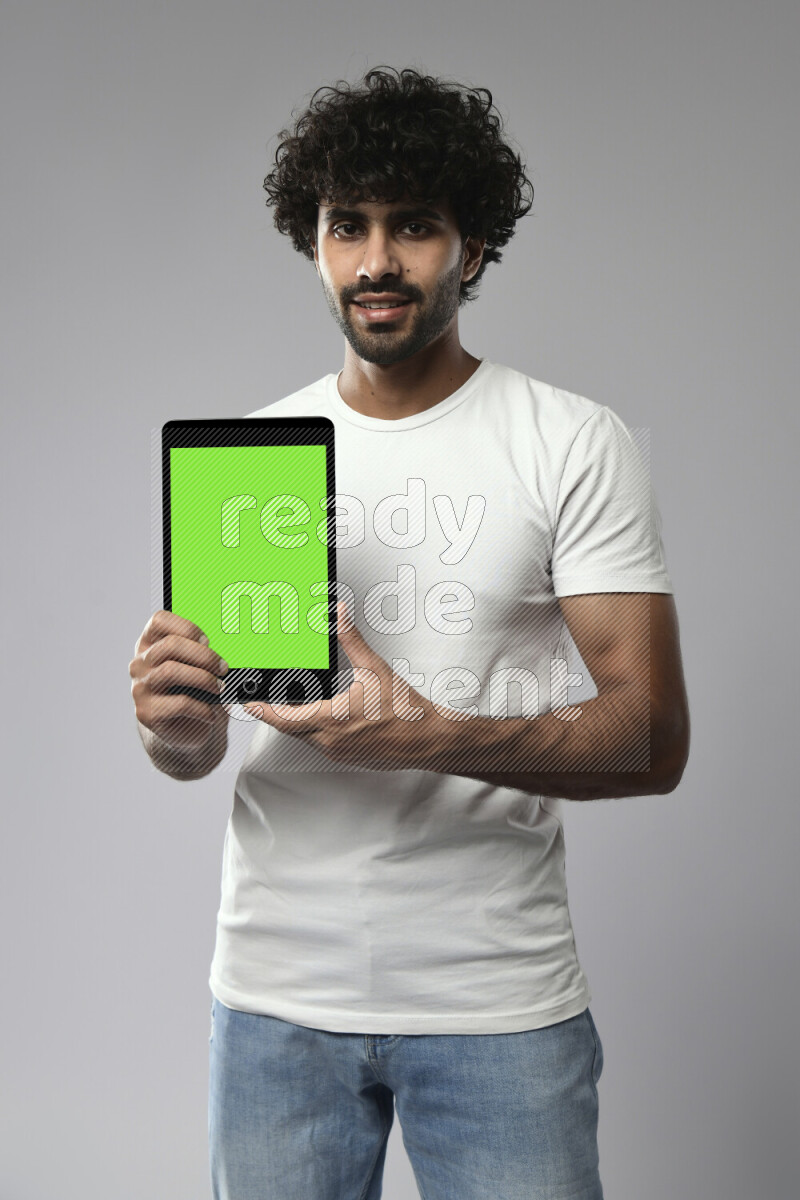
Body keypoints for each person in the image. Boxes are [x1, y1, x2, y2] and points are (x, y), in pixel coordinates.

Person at [129, 65, 690, 1200]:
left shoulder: (570, 442)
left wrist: (423, 736)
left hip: (495, 1005)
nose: (376, 260)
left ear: (469, 250)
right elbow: (208, 743)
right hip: (275, 1003)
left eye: (414, 227)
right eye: (348, 227)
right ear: (315, 242)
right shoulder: (257, 452)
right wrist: (172, 723)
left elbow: (650, 738)